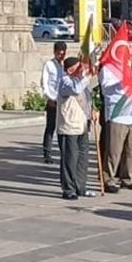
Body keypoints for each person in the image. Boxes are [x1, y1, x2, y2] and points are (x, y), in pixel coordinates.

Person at [55, 57, 97, 200]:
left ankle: (81, 186)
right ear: (70, 69)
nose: (82, 70)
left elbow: (87, 97)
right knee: (70, 159)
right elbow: (75, 89)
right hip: (69, 127)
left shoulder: (82, 82)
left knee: (82, 159)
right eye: (79, 68)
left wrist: (93, 110)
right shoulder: (65, 81)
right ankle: (68, 189)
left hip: (82, 126)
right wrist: (88, 76)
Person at [100, 51, 132, 192]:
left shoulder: (131, 67)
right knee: (114, 151)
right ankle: (109, 179)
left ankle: (128, 178)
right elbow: (106, 89)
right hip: (117, 114)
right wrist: (122, 81)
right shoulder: (108, 69)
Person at [40, 42, 67, 164]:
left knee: (63, 128)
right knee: (50, 127)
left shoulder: (65, 66)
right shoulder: (49, 65)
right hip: (52, 100)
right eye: (59, 53)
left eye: (63, 53)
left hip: (63, 101)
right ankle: (47, 153)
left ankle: (64, 151)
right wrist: (49, 97)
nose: (61, 56)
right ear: (54, 52)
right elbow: (44, 83)